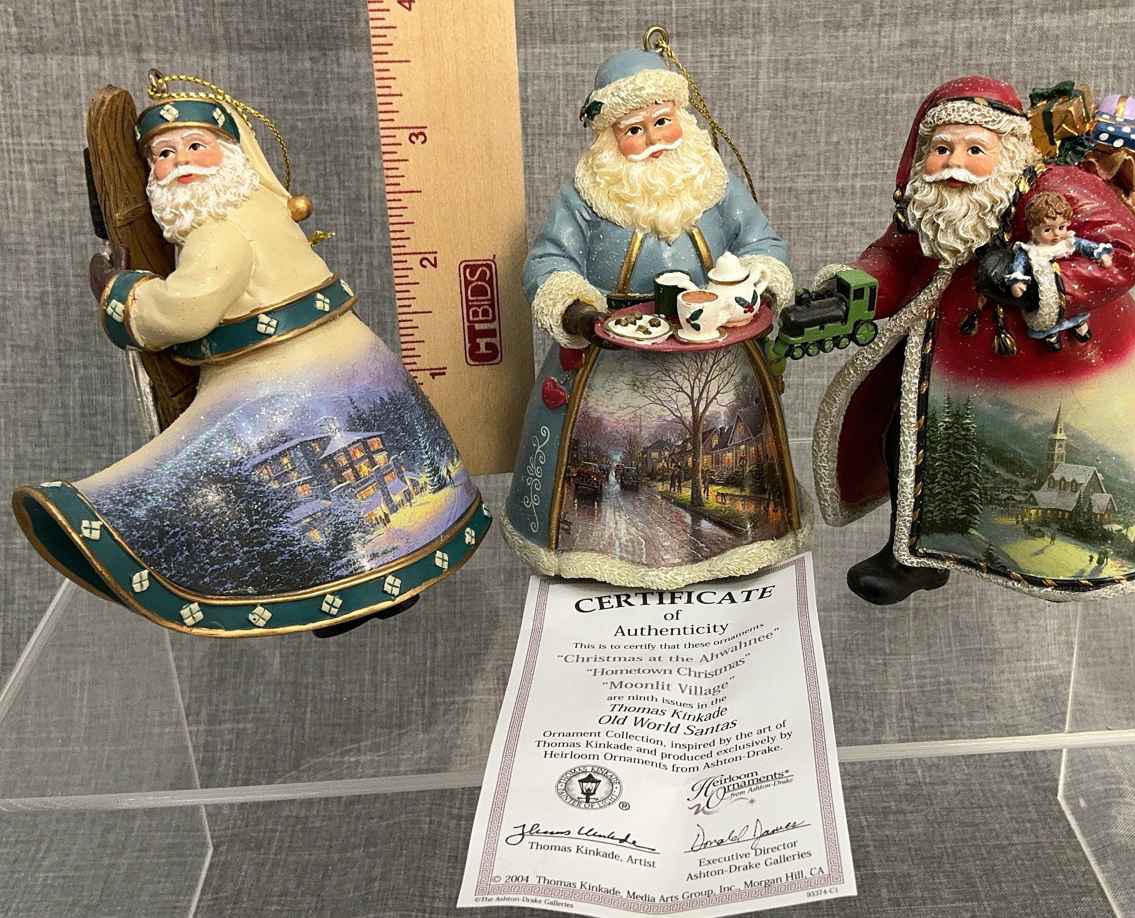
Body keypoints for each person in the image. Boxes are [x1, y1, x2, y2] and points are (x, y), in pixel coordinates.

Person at [12, 76, 487, 636]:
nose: (180, 163)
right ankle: (391, 578)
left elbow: (186, 312)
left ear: (230, 153)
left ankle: (106, 526)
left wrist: (124, 294)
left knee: (194, 475)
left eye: (195, 146)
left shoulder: (218, 230)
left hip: (280, 379)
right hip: (345, 355)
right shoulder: (265, 206)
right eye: (163, 155)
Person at [810, 76, 1135, 604]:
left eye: (974, 149)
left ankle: (1068, 561)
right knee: (914, 445)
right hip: (947, 367)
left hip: (1047, 368)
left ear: (1007, 149)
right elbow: (896, 256)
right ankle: (915, 556)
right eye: (942, 149)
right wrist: (850, 290)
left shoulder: (1055, 188)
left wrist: (1038, 281)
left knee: (1057, 461)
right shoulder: (927, 203)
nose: (955, 163)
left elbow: (1122, 248)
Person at [503, 46, 807, 588]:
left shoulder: (714, 182)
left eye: (662, 122)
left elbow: (762, 240)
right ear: (609, 136)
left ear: (681, 117)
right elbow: (549, 258)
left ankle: (744, 544)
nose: (652, 139)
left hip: (715, 347)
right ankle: (590, 550)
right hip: (612, 348)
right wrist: (575, 308)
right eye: (634, 130)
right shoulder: (584, 196)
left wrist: (752, 284)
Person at [1005, 191, 1114, 349]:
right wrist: (1016, 282)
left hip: (1072, 288)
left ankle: (1078, 323)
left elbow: (1084, 246)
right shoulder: (1030, 250)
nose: (1057, 234)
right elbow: (1018, 265)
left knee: (1075, 307)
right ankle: (1051, 334)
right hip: (1045, 292)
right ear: (1032, 229)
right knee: (1047, 315)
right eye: (1048, 230)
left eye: (1061, 227)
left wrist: (1101, 254)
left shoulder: (1066, 242)